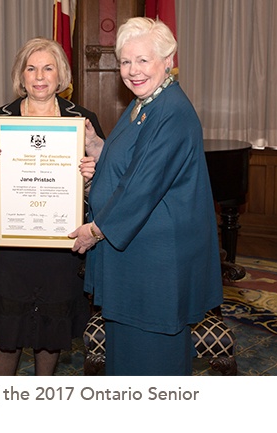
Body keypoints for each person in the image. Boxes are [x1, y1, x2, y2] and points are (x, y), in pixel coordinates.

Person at [69, 17, 223, 376]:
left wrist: (95, 231)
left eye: (143, 60)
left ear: (167, 60)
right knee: (126, 355)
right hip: (136, 258)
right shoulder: (145, 104)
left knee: (154, 361)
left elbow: (143, 186)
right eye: (125, 61)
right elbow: (133, 161)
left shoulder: (171, 112)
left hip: (156, 265)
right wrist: (97, 146)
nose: (133, 71)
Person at [0, 37, 105, 375]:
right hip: (9, 250)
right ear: (21, 76)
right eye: (31, 68)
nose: (40, 76)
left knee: (50, 333)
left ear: (61, 75)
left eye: (48, 68)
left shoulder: (82, 121)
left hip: (59, 247)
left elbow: (104, 188)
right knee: (6, 333)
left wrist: (88, 178)